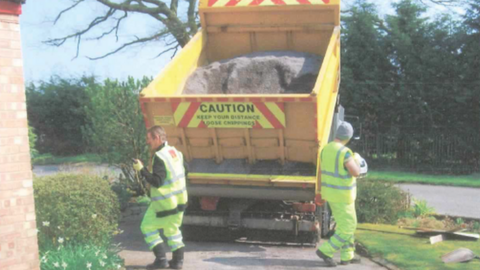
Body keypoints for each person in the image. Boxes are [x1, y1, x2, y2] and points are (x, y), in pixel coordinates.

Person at [133, 125, 188, 270]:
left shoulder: (159, 156)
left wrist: (141, 170)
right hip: (180, 201)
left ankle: (161, 259)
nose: (148, 142)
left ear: (157, 138)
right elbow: (185, 172)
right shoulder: (175, 152)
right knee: (173, 230)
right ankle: (177, 262)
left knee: (147, 227)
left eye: (149, 139)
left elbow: (157, 181)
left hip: (164, 203)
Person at [316, 121, 363, 267]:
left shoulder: (325, 149)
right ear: (348, 137)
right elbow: (355, 172)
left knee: (345, 224)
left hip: (330, 194)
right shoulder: (345, 153)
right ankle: (326, 250)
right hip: (343, 196)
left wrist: (319, 192)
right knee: (348, 226)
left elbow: (319, 173)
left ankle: (347, 255)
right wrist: (357, 160)